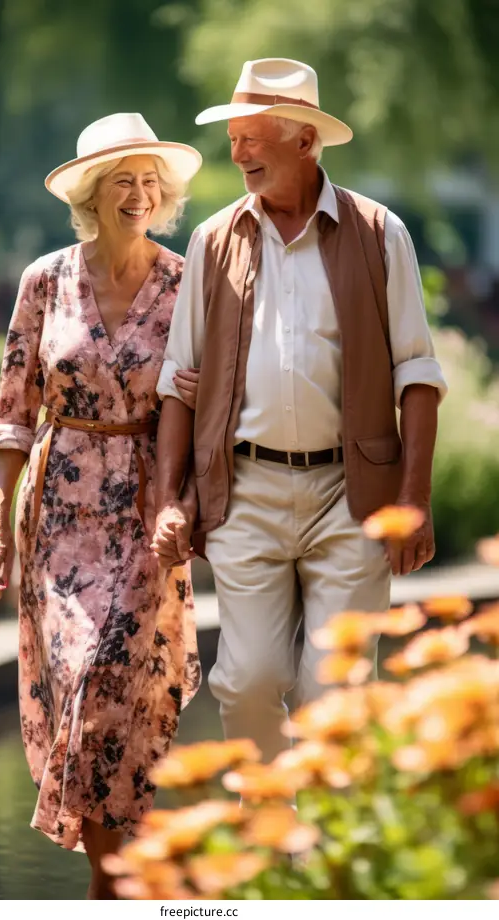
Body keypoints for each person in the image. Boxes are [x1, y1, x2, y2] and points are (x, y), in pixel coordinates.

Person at [153, 59, 447, 764]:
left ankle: (325, 865)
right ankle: (266, 833)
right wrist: (170, 498)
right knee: (249, 680)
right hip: (245, 493)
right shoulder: (212, 241)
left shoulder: (380, 234)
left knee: (332, 690)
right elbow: (176, 380)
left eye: (253, 136)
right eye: (234, 138)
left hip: (352, 498)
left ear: (305, 141)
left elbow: (419, 373)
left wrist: (415, 498)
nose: (238, 152)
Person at [0, 113, 202, 898]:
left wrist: (188, 505)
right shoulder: (44, 280)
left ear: (163, 195)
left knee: (118, 683)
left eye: (149, 182)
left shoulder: (184, 284)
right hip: (60, 508)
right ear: (91, 195)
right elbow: (14, 411)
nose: (138, 195)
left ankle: (116, 886)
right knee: (77, 682)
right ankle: (121, 885)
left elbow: (202, 404)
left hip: (146, 506)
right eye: (121, 182)